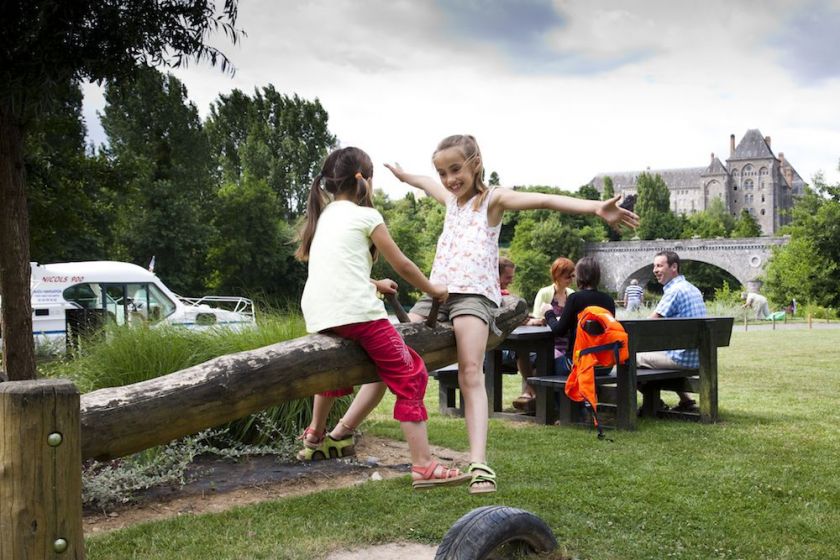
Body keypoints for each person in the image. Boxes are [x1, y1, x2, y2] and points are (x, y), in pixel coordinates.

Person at [386, 134, 639, 494]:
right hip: (436, 294)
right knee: (393, 350)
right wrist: (405, 176)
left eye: (455, 170)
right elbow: (427, 185)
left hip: (472, 298)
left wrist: (596, 206)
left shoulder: (493, 200)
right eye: (443, 172)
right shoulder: (450, 201)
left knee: (470, 371)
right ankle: (338, 431)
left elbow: (545, 200)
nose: (448, 180)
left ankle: (479, 465)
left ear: (475, 164)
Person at [296, 146, 470, 490]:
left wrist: (374, 283)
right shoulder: (366, 217)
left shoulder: (326, 215)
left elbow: (337, 269)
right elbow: (403, 264)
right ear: (364, 181)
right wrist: (433, 289)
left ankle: (315, 435)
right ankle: (424, 466)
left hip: (320, 313)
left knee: (334, 368)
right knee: (409, 373)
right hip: (358, 313)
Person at [637, 250, 706, 412]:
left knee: (628, 357)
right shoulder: (692, 288)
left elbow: (646, 326)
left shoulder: (674, 291)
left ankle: (653, 403)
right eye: (654, 266)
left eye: (660, 266)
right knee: (659, 353)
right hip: (698, 355)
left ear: (674, 267)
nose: (655, 270)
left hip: (682, 358)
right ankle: (686, 400)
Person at [541, 257, 615, 375]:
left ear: (579, 277)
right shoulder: (609, 300)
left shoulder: (575, 298)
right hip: (604, 366)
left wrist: (549, 313)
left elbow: (559, 331)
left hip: (578, 364)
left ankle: (539, 393)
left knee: (541, 364)